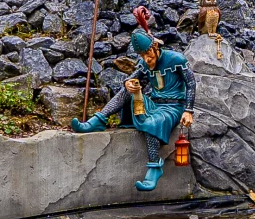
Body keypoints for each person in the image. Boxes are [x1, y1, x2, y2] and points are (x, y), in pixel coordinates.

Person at [71, 28, 195, 191]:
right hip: (154, 104)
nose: (146, 59)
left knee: (152, 123)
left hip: (172, 108)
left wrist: (188, 110)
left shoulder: (177, 59)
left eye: (148, 54)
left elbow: (191, 83)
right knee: (127, 90)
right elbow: (132, 78)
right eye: (142, 56)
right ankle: (98, 120)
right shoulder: (144, 63)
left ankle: (154, 167)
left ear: (155, 48)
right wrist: (128, 83)